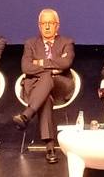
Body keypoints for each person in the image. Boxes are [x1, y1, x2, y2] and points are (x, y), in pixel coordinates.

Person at [13, 9, 75, 164]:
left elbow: (66, 63)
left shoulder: (67, 42)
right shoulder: (30, 44)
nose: (47, 27)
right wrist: (52, 65)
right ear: (39, 26)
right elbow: (26, 67)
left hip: (60, 85)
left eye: (50, 23)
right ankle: (50, 147)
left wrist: (40, 62)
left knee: (46, 79)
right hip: (35, 87)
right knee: (45, 96)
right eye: (43, 23)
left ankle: (27, 114)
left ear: (57, 25)